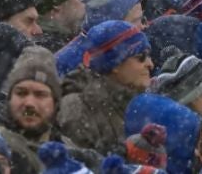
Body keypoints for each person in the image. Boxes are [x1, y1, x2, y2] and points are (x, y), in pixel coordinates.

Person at [59, 20, 152, 156]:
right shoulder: (77, 108)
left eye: (149, 55)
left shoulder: (140, 100)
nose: (151, 64)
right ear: (115, 64)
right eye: (141, 57)